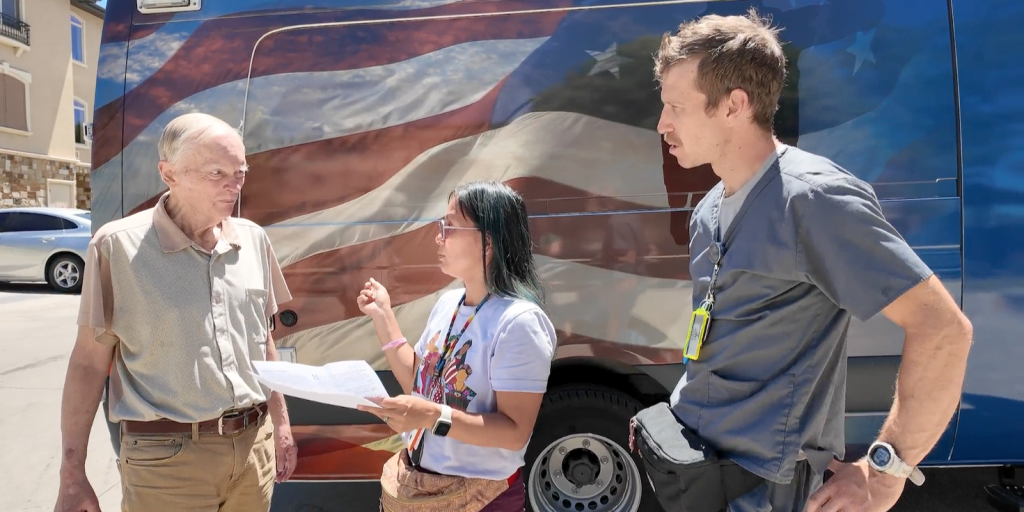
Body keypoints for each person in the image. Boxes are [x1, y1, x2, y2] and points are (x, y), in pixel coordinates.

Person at [653, 8, 973, 512]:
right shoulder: (709, 209)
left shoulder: (814, 200)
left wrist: (885, 472)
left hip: (766, 490)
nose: (662, 123)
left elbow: (943, 330)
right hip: (698, 470)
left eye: (676, 107)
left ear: (734, 105)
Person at [53, 112, 297, 512]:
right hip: (167, 465)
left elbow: (263, 341)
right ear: (169, 174)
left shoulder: (254, 240)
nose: (233, 185)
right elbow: (88, 364)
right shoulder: (116, 248)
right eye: (216, 172)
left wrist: (282, 425)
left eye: (240, 172)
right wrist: (71, 472)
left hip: (255, 451)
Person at [355, 180, 558, 512]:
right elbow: (419, 383)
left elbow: (513, 433)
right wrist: (383, 316)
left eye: (449, 226)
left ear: (487, 242)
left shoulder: (518, 322)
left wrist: (432, 416)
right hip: (422, 489)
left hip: (482, 500)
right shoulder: (449, 302)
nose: (439, 237)